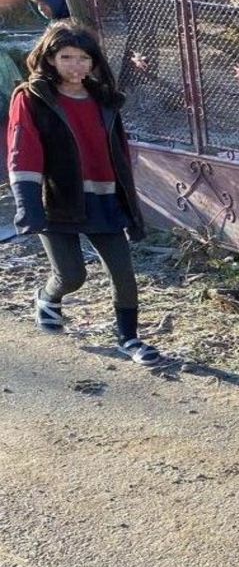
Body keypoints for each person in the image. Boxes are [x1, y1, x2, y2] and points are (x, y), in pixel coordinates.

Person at [6, 21, 160, 366]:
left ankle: (129, 338)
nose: (76, 66)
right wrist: (27, 205)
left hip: (104, 200)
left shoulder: (104, 99)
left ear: (94, 62)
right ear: (49, 59)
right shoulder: (32, 98)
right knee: (72, 276)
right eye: (66, 57)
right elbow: (22, 151)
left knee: (124, 273)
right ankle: (47, 298)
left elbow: (117, 152)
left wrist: (129, 202)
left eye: (83, 58)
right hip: (56, 200)